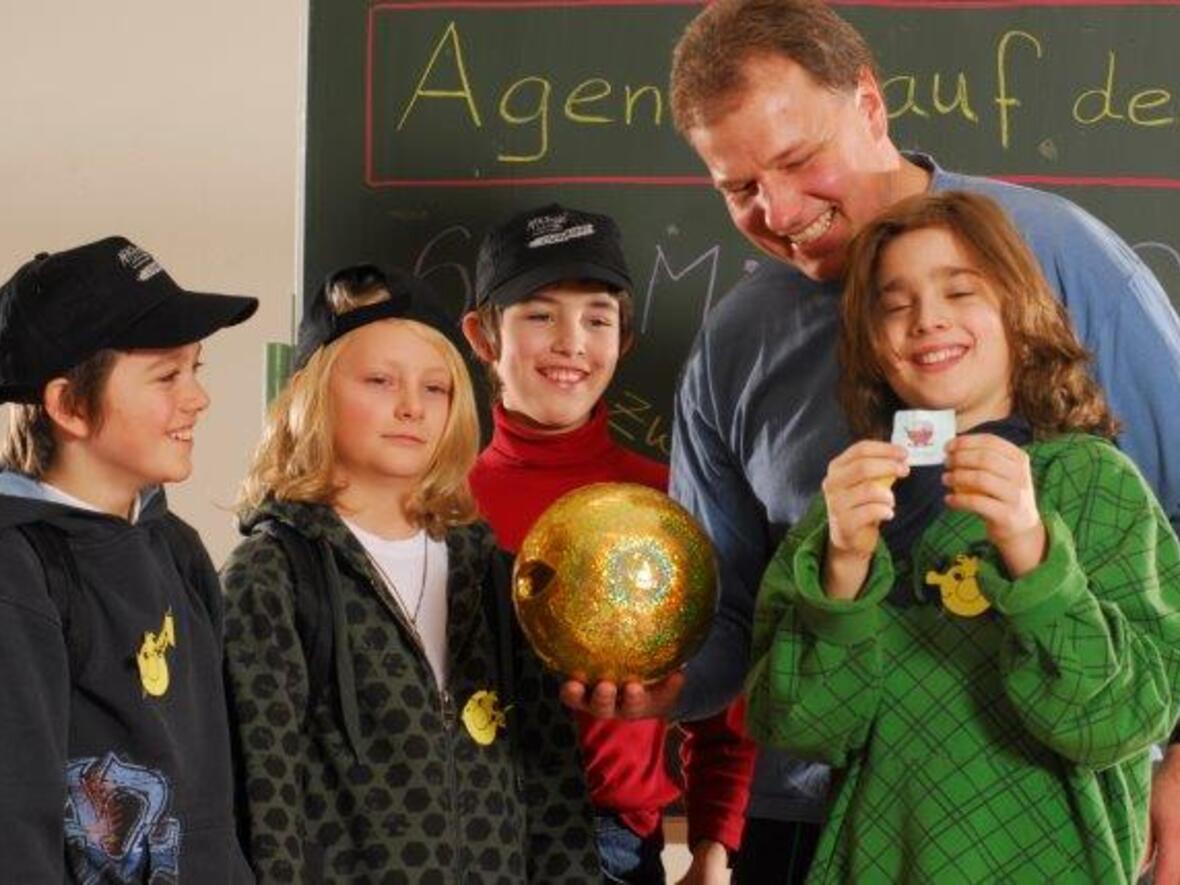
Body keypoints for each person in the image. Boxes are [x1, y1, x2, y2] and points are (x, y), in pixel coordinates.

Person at [560, 0, 1180, 881]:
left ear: (870, 106)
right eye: (738, 188)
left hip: (1034, 813)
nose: (778, 211)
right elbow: (729, 609)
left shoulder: (1063, 260)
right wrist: (670, 683)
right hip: (812, 814)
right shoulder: (737, 343)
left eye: (798, 159)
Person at [746, 189, 1180, 882]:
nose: (927, 320)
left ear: (1019, 310)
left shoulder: (1094, 483)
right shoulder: (848, 506)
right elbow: (798, 729)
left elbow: (1120, 721)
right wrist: (842, 572)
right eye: (894, 304)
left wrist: (1033, 555)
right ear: (874, 346)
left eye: (960, 291)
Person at [221, 263, 600, 883]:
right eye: (378, 381)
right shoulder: (272, 578)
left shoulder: (497, 578)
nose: (411, 408)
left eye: (435, 389)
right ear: (312, 394)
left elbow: (553, 794)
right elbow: (264, 802)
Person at [461, 204, 755, 885]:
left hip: (610, 845)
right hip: (457, 834)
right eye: (538, 314)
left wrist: (713, 844)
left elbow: (726, 684)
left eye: (597, 318)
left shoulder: (671, 504)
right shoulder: (438, 504)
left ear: (623, 339)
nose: (571, 342)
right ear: (483, 334)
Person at [0, 237, 258, 882]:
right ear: (68, 406)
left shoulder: (176, 547)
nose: (197, 397)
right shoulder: (17, 567)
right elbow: (14, 823)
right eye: (168, 375)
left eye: (197, 369)